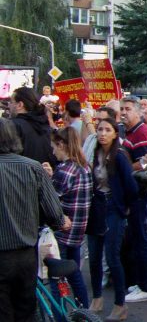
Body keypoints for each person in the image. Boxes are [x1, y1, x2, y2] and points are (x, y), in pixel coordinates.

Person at [0, 118, 69, 322]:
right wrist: (61, 221)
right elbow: (55, 214)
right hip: (25, 255)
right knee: (26, 310)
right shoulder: (32, 168)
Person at [87, 117, 139, 321]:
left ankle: (120, 304)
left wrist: (123, 207)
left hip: (112, 208)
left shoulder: (119, 156)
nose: (102, 133)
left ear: (115, 134)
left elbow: (132, 187)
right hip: (96, 206)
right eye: (99, 129)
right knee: (93, 256)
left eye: (107, 130)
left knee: (112, 257)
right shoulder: (95, 153)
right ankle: (97, 299)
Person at [41, 127, 92, 309]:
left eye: (54, 146)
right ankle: (84, 311)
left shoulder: (65, 170)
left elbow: (49, 200)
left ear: (61, 144)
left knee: (56, 279)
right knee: (75, 274)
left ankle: (59, 314)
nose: (53, 151)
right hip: (78, 232)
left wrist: (46, 179)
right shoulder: (84, 167)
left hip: (62, 232)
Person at [119, 97, 147, 303]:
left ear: (138, 112)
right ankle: (141, 281)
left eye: (127, 109)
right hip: (133, 195)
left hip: (140, 196)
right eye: (121, 109)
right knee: (136, 239)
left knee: (142, 239)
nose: (123, 113)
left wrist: (124, 169)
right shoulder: (132, 132)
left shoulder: (142, 133)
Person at [9, 87, 57, 166]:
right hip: (43, 175)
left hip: (20, 175)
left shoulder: (12, 125)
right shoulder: (45, 125)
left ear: (20, 105)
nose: (9, 105)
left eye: (11, 102)